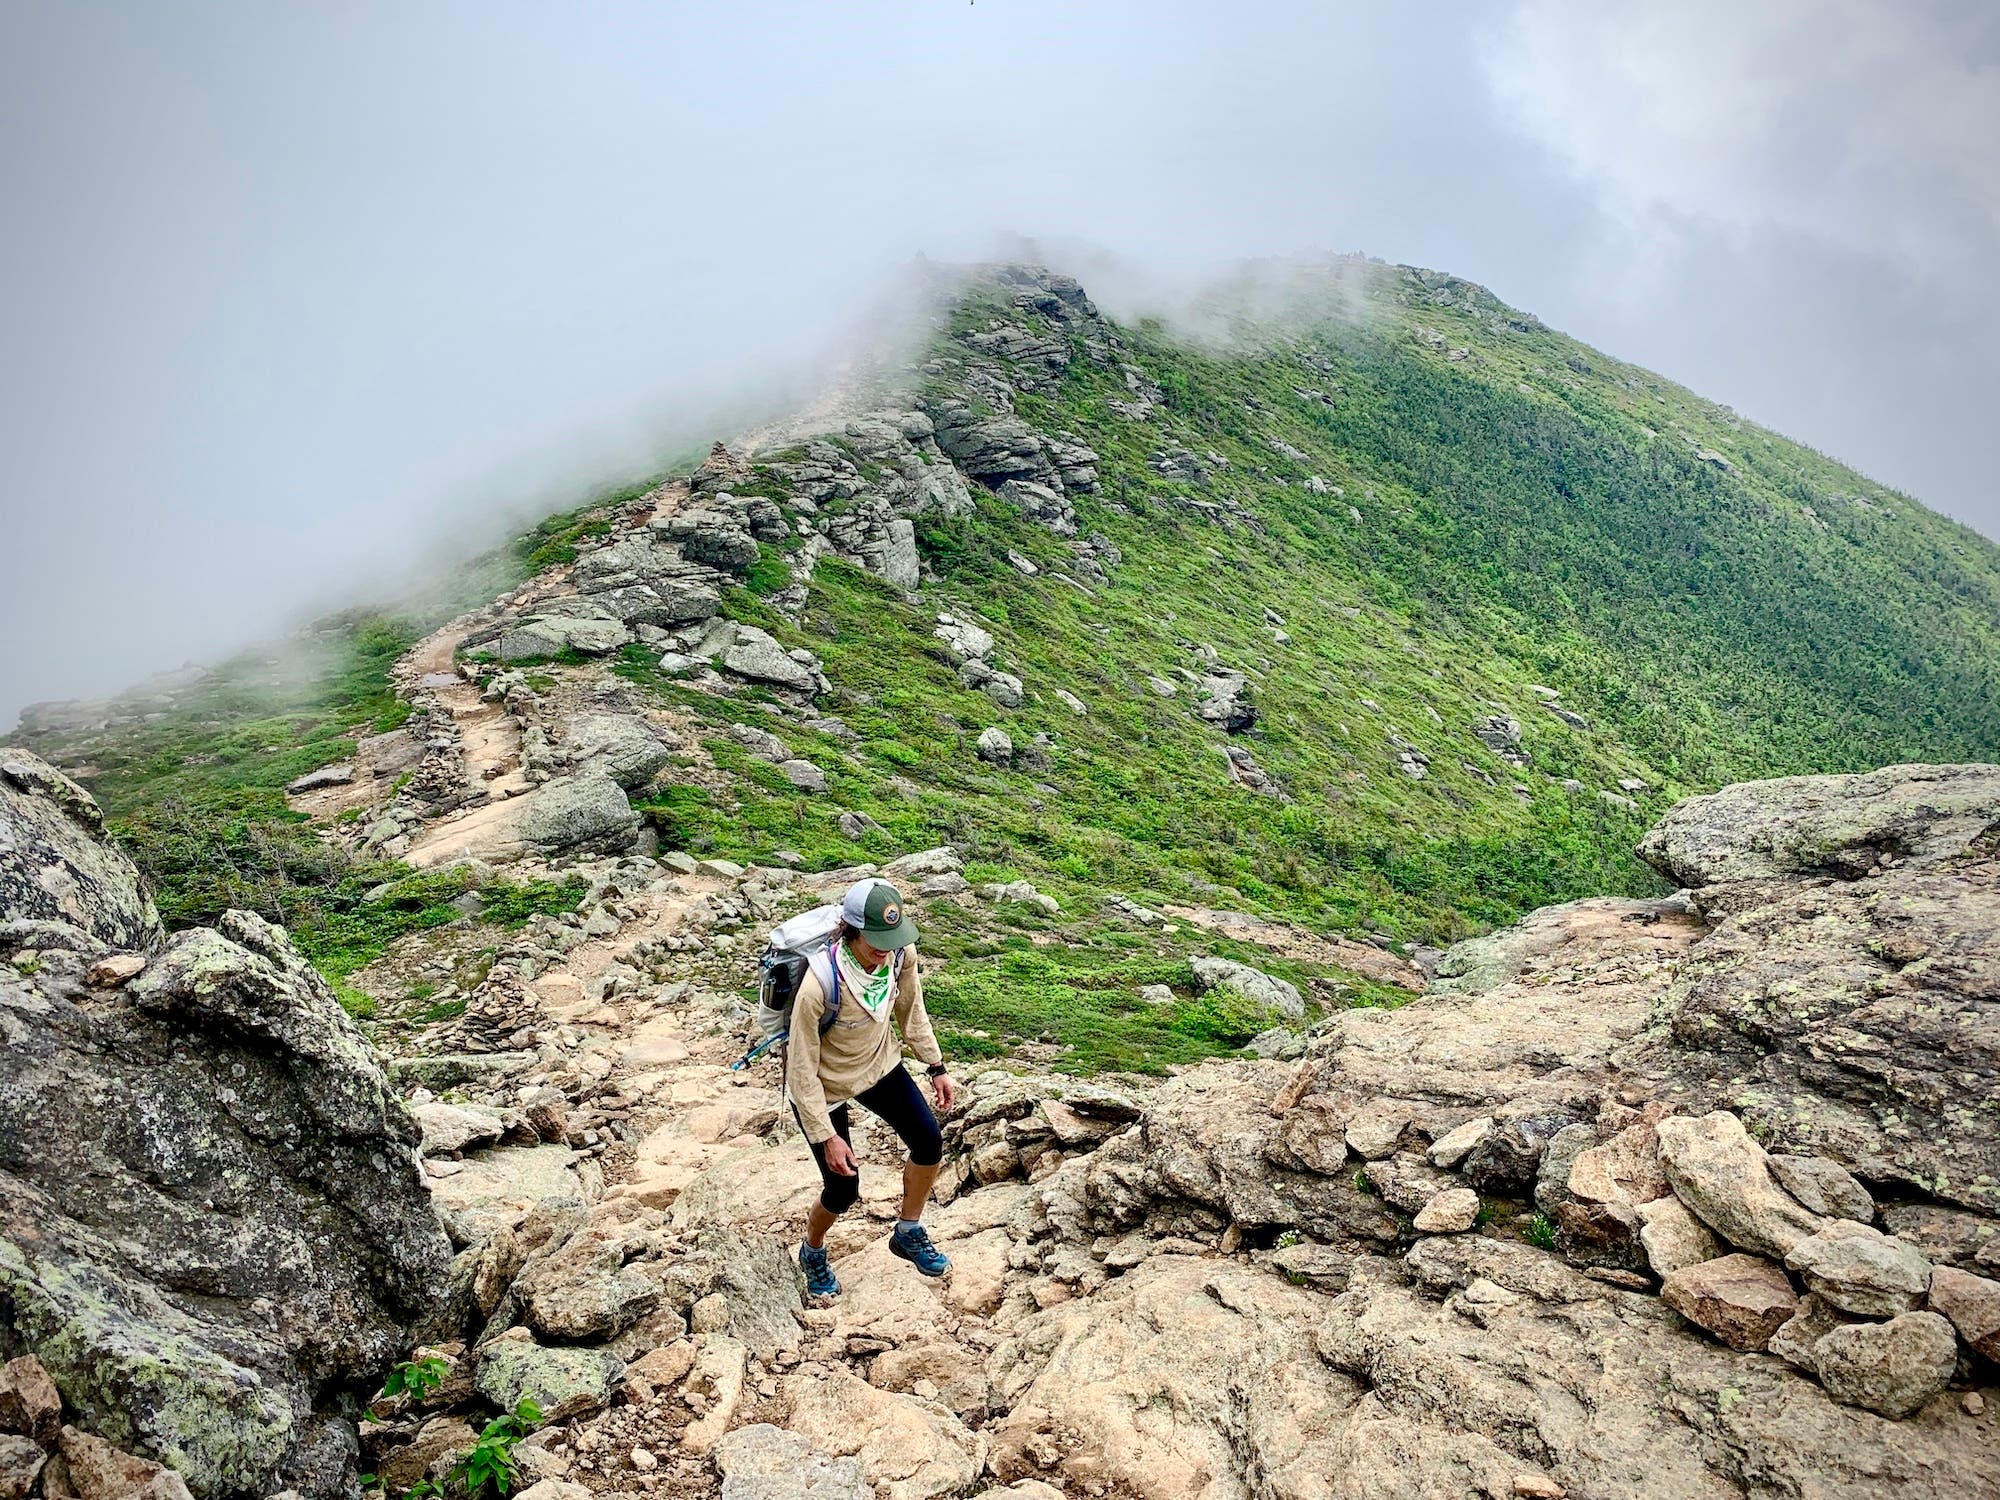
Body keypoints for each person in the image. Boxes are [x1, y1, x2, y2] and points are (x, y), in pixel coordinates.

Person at [785, 876, 957, 1297]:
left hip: (878, 1064)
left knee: (929, 1141)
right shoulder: (819, 985)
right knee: (843, 1189)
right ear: (852, 930)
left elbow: (911, 1011)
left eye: (890, 939)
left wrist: (936, 1065)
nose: (884, 949)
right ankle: (812, 1249)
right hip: (824, 1086)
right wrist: (825, 1135)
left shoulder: (900, 955)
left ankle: (908, 1231)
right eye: (875, 940)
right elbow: (801, 1069)